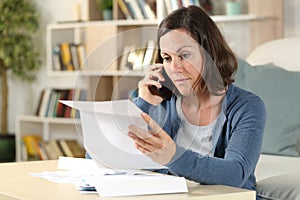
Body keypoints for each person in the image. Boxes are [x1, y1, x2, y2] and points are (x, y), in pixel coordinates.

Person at [127, 5, 266, 199]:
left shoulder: (246, 106)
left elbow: (235, 173)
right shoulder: (159, 101)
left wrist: (172, 156)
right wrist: (143, 103)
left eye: (184, 55)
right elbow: (103, 157)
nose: (174, 68)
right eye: (167, 58)